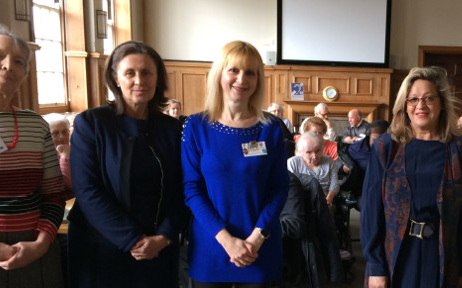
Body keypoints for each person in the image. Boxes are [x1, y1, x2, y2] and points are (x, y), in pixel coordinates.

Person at [68, 41, 186, 288]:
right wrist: (132, 239)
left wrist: (164, 236)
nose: (139, 81)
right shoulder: (91, 123)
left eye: (146, 72)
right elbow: (87, 190)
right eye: (130, 73)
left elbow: (183, 189)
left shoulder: (172, 129)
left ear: (158, 78)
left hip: (158, 248)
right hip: (102, 247)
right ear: (116, 78)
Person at [361, 66, 462, 288]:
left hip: (443, 256)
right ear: (404, 105)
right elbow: (371, 211)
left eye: (429, 98)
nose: (421, 105)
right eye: (413, 99)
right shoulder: (386, 147)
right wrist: (375, 266)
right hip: (394, 253)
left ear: (442, 102)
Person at [181, 40, 289, 287]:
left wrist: (257, 237)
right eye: (234, 70)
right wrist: (227, 240)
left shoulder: (270, 128)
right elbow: (192, 189)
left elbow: (279, 188)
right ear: (220, 74)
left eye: (250, 72)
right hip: (211, 246)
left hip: (259, 248)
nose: (242, 79)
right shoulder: (196, 126)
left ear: (258, 79)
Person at [0, 23, 66, 288]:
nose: (8, 65)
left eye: (18, 61)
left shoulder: (35, 125)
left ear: (24, 73)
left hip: (33, 247)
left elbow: (53, 194)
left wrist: (41, 243)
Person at [288, 132, 340, 206]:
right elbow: (292, 188)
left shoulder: (329, 160)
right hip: (301, 202)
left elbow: (335, 183)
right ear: (300, 152)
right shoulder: (293, 163)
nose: (314, 156)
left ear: (322, 148)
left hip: (325, 201)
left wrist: (328, 199)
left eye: (317, 151)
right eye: (308, 152)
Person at [43, 113, 73, 196]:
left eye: (64, 132)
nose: (61, 137)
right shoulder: (44, 157)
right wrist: (65, 157)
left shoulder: (76, 151)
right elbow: (66, 185)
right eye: (55, 133)